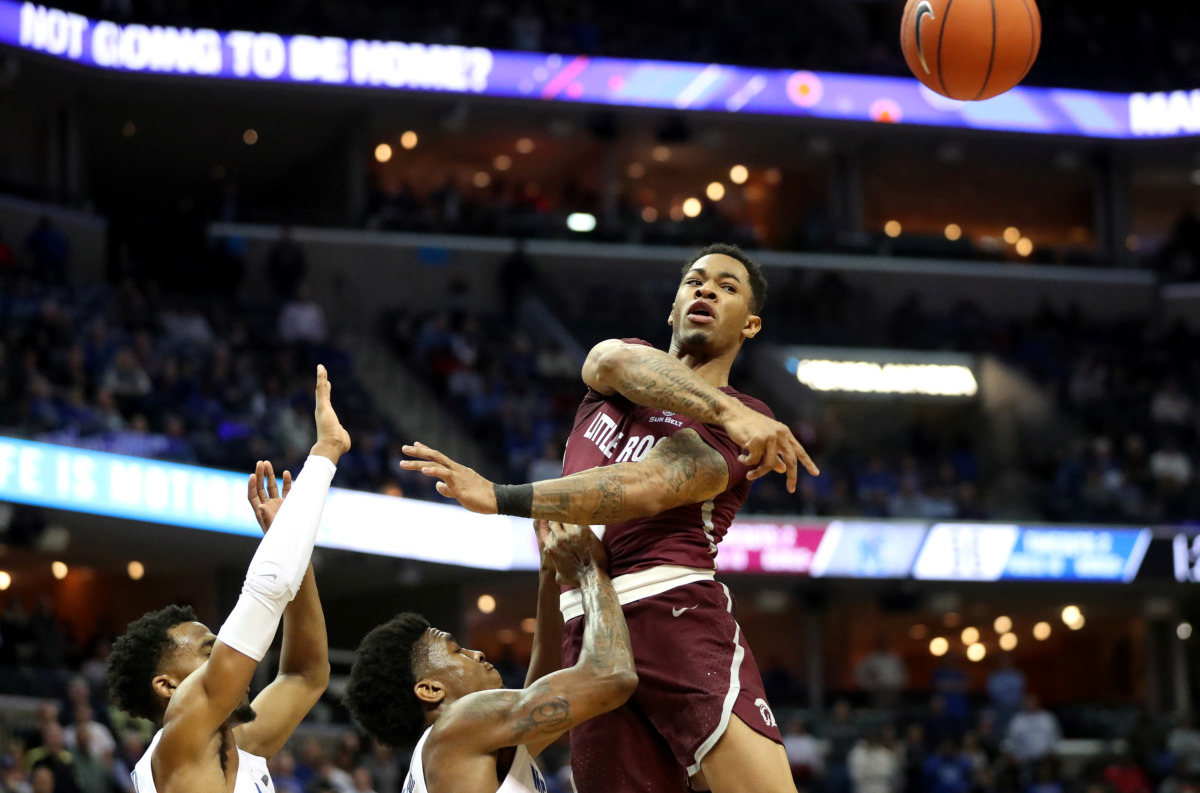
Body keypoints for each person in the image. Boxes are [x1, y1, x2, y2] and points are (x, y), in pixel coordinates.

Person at [401, 243, 817, 793]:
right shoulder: (625, 371)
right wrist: (726, 410)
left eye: (727, 286)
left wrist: (500, 496)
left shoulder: (755, 421)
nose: (706, 289)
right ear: (672, 307)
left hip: (671, 611)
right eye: (694, 280)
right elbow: (610, 361)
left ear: (750, 325)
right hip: (588, 632)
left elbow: (645, 489)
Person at [105, 366, 350, 793]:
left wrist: (293, 547)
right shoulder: (176, 745)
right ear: (168, 686)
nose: (231, 656)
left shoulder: (239, 746)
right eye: (209, 652)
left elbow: (305, 674)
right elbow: (265, 593)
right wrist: (325, 453)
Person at [344, 521, 638, 793]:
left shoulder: (454, 749)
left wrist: (549, 569)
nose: (478, 653)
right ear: (431, 690)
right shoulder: (461, 724)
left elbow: (547, 674)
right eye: (458, 651)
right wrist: (589, 570)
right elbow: (611, 676)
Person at [1004, 695, 1060, 766]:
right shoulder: (1017, 720)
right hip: (1022, 759)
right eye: (1028, 703)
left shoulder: (1047, 718)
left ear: (1038, 703)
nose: (1031, 705)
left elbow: (1054, 738)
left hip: (1044, 758)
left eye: (1033, 702)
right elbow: (1011, 741)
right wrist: (1016, 756)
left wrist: (1050, 753)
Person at [854, 636, 908, 708]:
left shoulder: (895, 659)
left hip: (893, 692)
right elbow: (858, 674)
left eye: (885, 643)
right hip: (875, 693)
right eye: (881, 643)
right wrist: (869, 686)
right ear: (877, 644)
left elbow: (904, 676)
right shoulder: (870, 659)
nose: (883, 645)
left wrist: (897, 688)